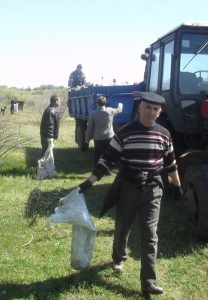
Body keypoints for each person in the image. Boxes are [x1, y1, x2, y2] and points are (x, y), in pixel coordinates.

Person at [78, 92, 183, 295]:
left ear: (159, 112)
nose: (151, 112)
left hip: (153, 189)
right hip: (128, 187)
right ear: (140, 109)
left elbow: (170, 163)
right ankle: (118, 258)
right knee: (123, 226)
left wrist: (177, 186)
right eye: (147, 108)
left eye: (155, 109)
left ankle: (149, 281)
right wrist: (90, 181)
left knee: (150, 235)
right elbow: (108, 158)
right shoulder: (125, 133)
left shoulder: (164, 134)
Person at [85, 96, 123, 167]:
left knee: (97, 154)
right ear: (105, 103)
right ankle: (107, 169)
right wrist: (120, 104)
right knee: (108, 154)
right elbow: (119, 110)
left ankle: (96, 169)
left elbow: (90, 127)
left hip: (98, 137)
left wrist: (87, 138)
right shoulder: (110, 111)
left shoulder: (93, 113)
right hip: (108, 136)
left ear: (97, 103)